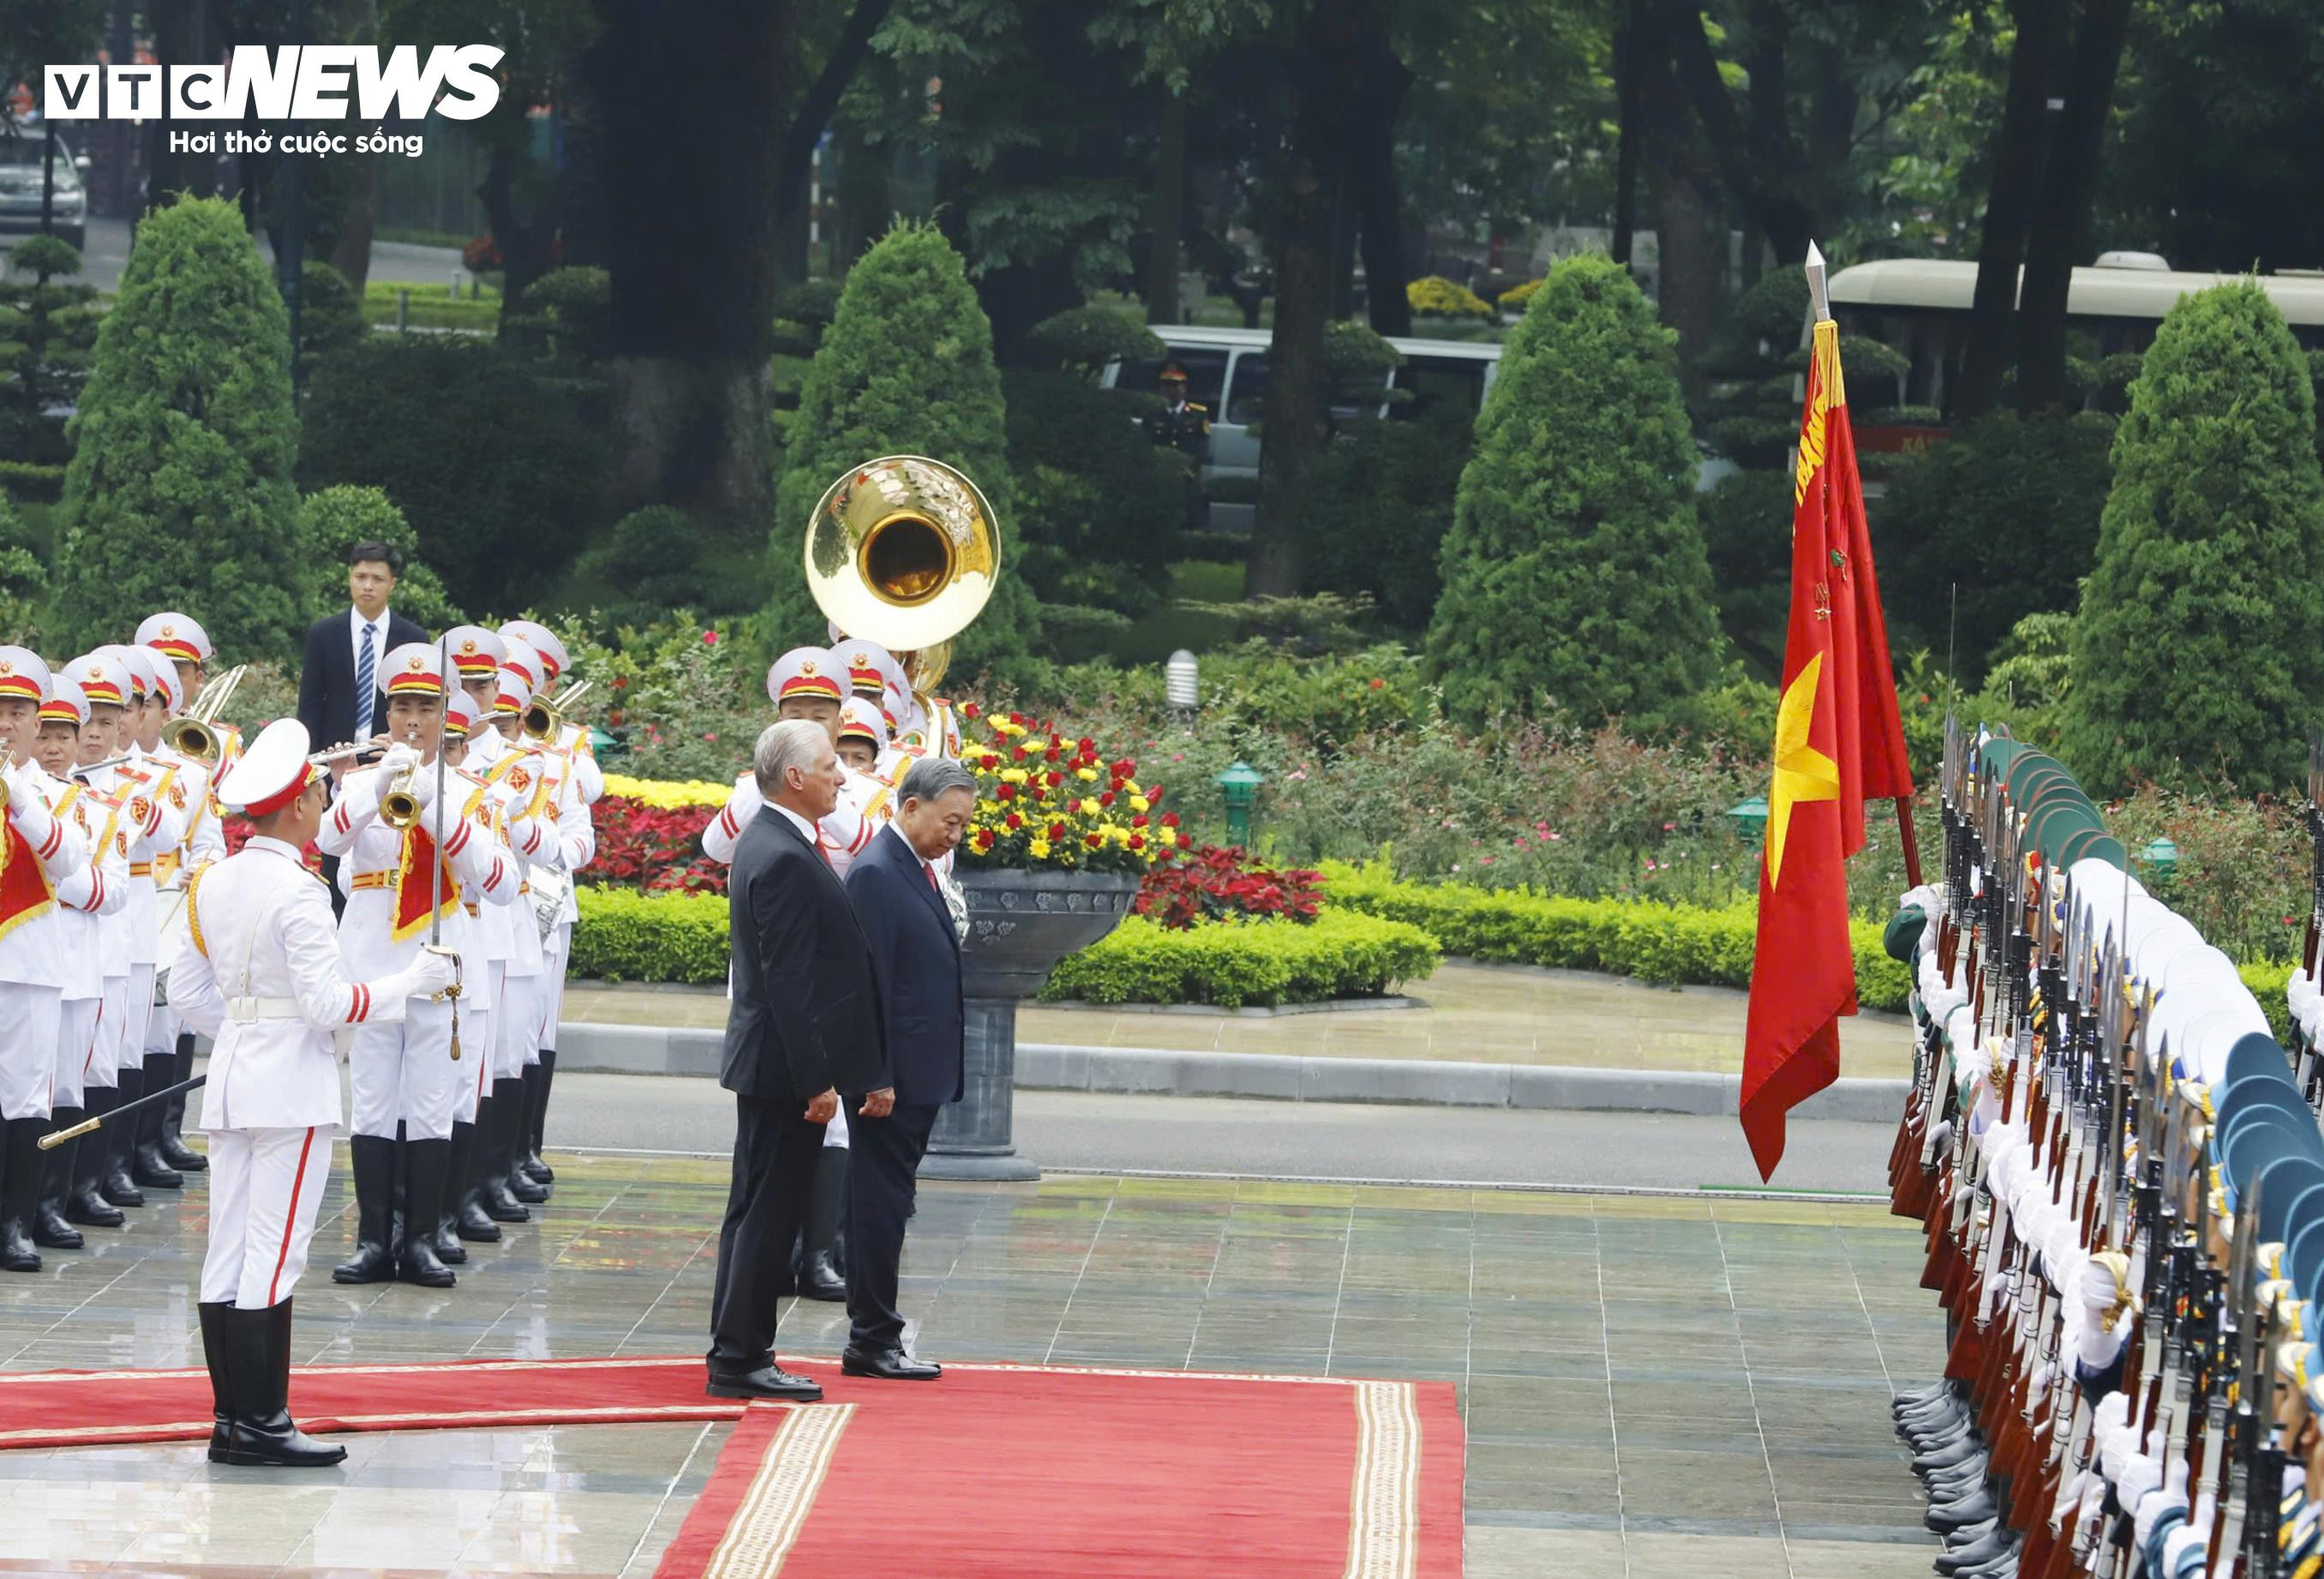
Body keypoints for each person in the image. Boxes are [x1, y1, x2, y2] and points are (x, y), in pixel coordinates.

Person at [167, 718, 458, 1466]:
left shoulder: (216, 879)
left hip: (235, 1079)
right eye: (319, 793)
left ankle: (232, 1419)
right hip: (289, 1087)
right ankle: (262, 1420)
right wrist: (409, 983)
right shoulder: (298, 891)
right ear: (297, 804)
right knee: (275, 1249)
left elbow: (187, 992)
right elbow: (330, 1005)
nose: (323, 802)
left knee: (228, 1246)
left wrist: (246, 1025)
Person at [318, 643, 512, 1289]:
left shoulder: (471, 793)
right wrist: (378, 785)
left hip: (439, 966)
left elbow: (499, 880)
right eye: (401, 707)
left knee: (430, 1105)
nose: (412, 721)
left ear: (444, 715)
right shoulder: (358, 782)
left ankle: (423, 1237)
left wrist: (433, 802)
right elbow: (327, 840)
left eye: (425, 709)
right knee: (372, 1104)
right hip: (373, 964)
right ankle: (373, 1238)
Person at [706, 720, 885, 1403]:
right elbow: (789, 981)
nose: (843, 774)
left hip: (774, 1064)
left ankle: (737, 1346)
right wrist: (818, 1080)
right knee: (769, 1214)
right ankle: (743, 1357)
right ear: (795, 778)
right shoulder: (780, 850)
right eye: (829, 764)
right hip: (784, 1069)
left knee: (756, 1210)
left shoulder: (778, 838)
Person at [839, 757, 974, 1380]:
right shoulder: (877, 872)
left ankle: (878, 1332)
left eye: (964, 824)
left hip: (918, 1071)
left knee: (890, 1200)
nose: (956, 835)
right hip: (889, 1080)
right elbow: (866, 985)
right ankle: (872, 1337)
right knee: (878, 1204)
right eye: (949, 821)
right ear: (911, 806)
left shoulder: (915, 869)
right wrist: (876, 1073)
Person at [0, 649, 93, 1271]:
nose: (6, 722)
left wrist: (15, 794)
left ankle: (13, 1222)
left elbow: (69, 862)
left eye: (17, 712)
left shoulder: (54, 792)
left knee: (26, 1096)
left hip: (28, 960)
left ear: (39, 721)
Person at [298, 544, 426, 917]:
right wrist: (315, 773)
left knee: (387, 850)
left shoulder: (412, 637)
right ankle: (338, 932)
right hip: (338, 762)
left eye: (377, 579)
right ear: (350, 579)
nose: (367, 585)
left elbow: (421, 703)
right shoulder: (324, 634)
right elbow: (310, 705)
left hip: (390, 757)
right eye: (360, 577)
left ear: (393, 584)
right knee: (334, 851)